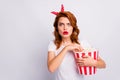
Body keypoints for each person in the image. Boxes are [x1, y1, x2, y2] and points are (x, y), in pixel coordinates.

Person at [47, 4, 106, 80]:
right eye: (61, 24)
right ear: (57, 28)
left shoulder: (82, 43)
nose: (65, 28)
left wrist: (93, 63)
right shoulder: (53, 45)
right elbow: (51, 68)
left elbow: (103, 64)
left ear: (73, 27)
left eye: (69, 24)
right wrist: (66, 48)